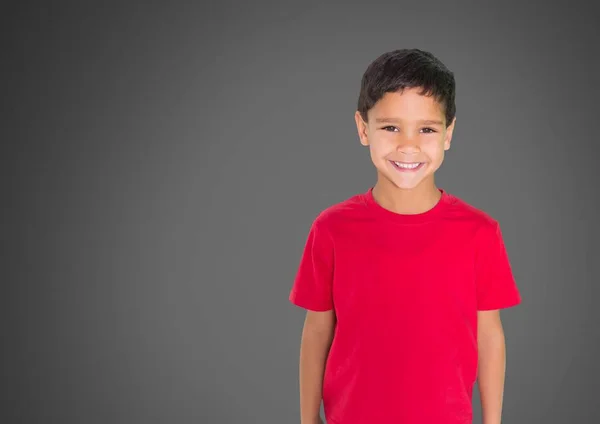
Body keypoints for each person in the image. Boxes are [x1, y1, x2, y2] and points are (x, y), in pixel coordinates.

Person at [288, 48, 522, 424]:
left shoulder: (480, 232)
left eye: (426, 129)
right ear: (364, 129)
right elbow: (317, 329)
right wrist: (306, 418)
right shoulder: (331, 228)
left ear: (449, 133)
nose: (408, 145)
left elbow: (489, 334)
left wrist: (493, 422)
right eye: (391, 127)